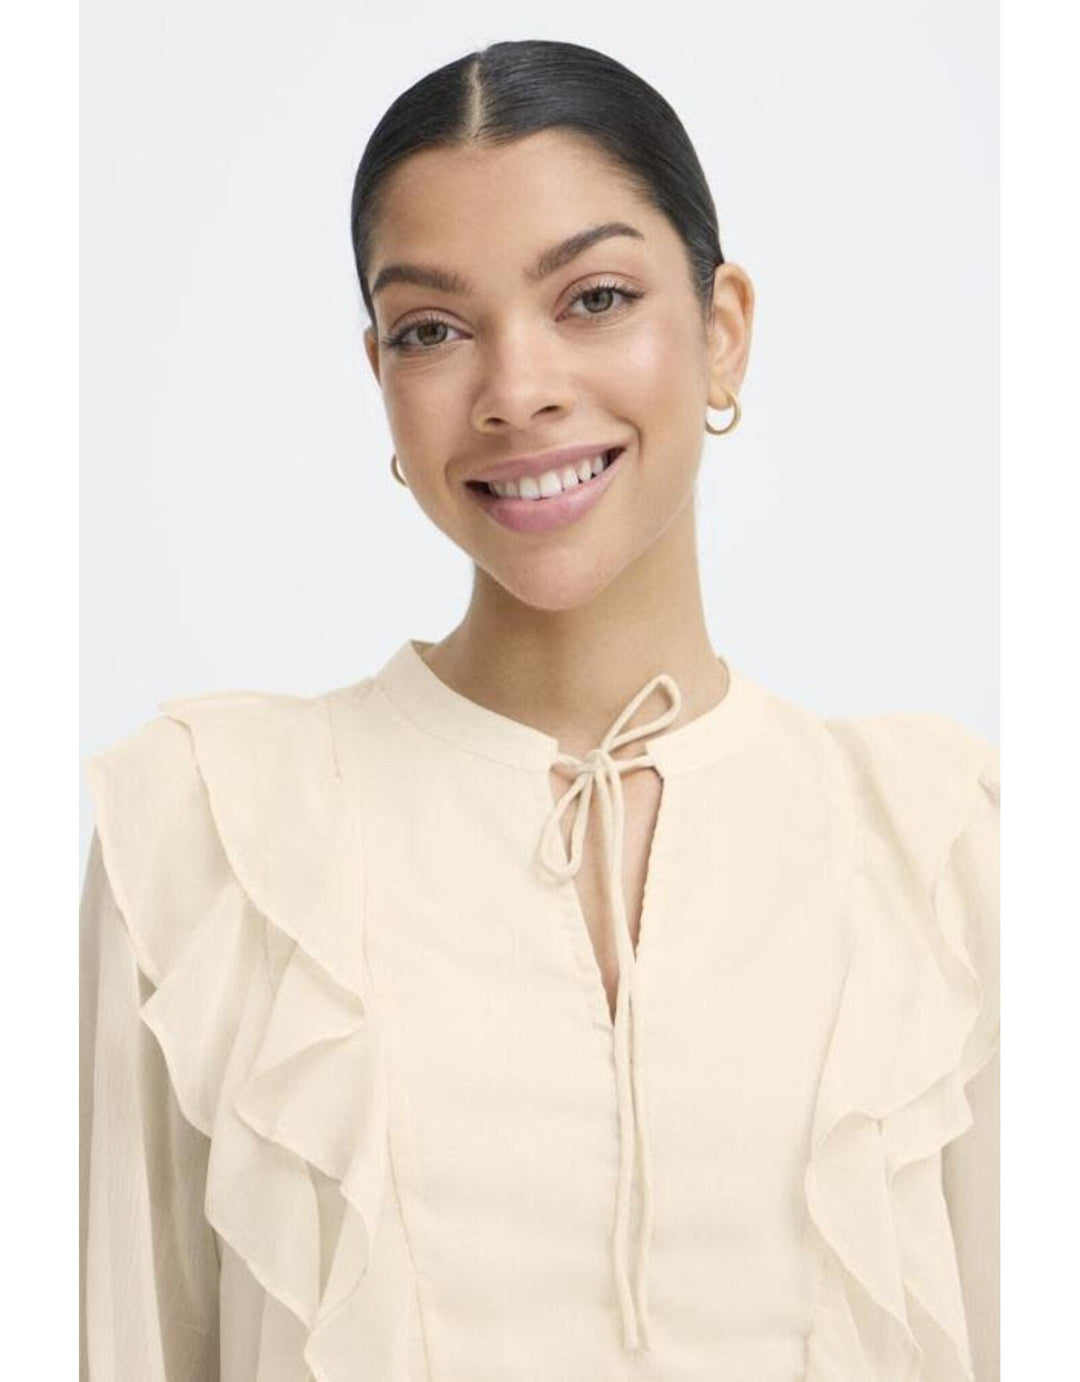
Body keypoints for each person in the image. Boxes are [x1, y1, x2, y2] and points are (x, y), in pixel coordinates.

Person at [79, 38, 1000, 1382]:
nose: (516, 390)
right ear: (381, 381)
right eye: (434, 329)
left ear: (723, 327)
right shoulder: (207, 830)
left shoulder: (946, 842)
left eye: (595, 296)